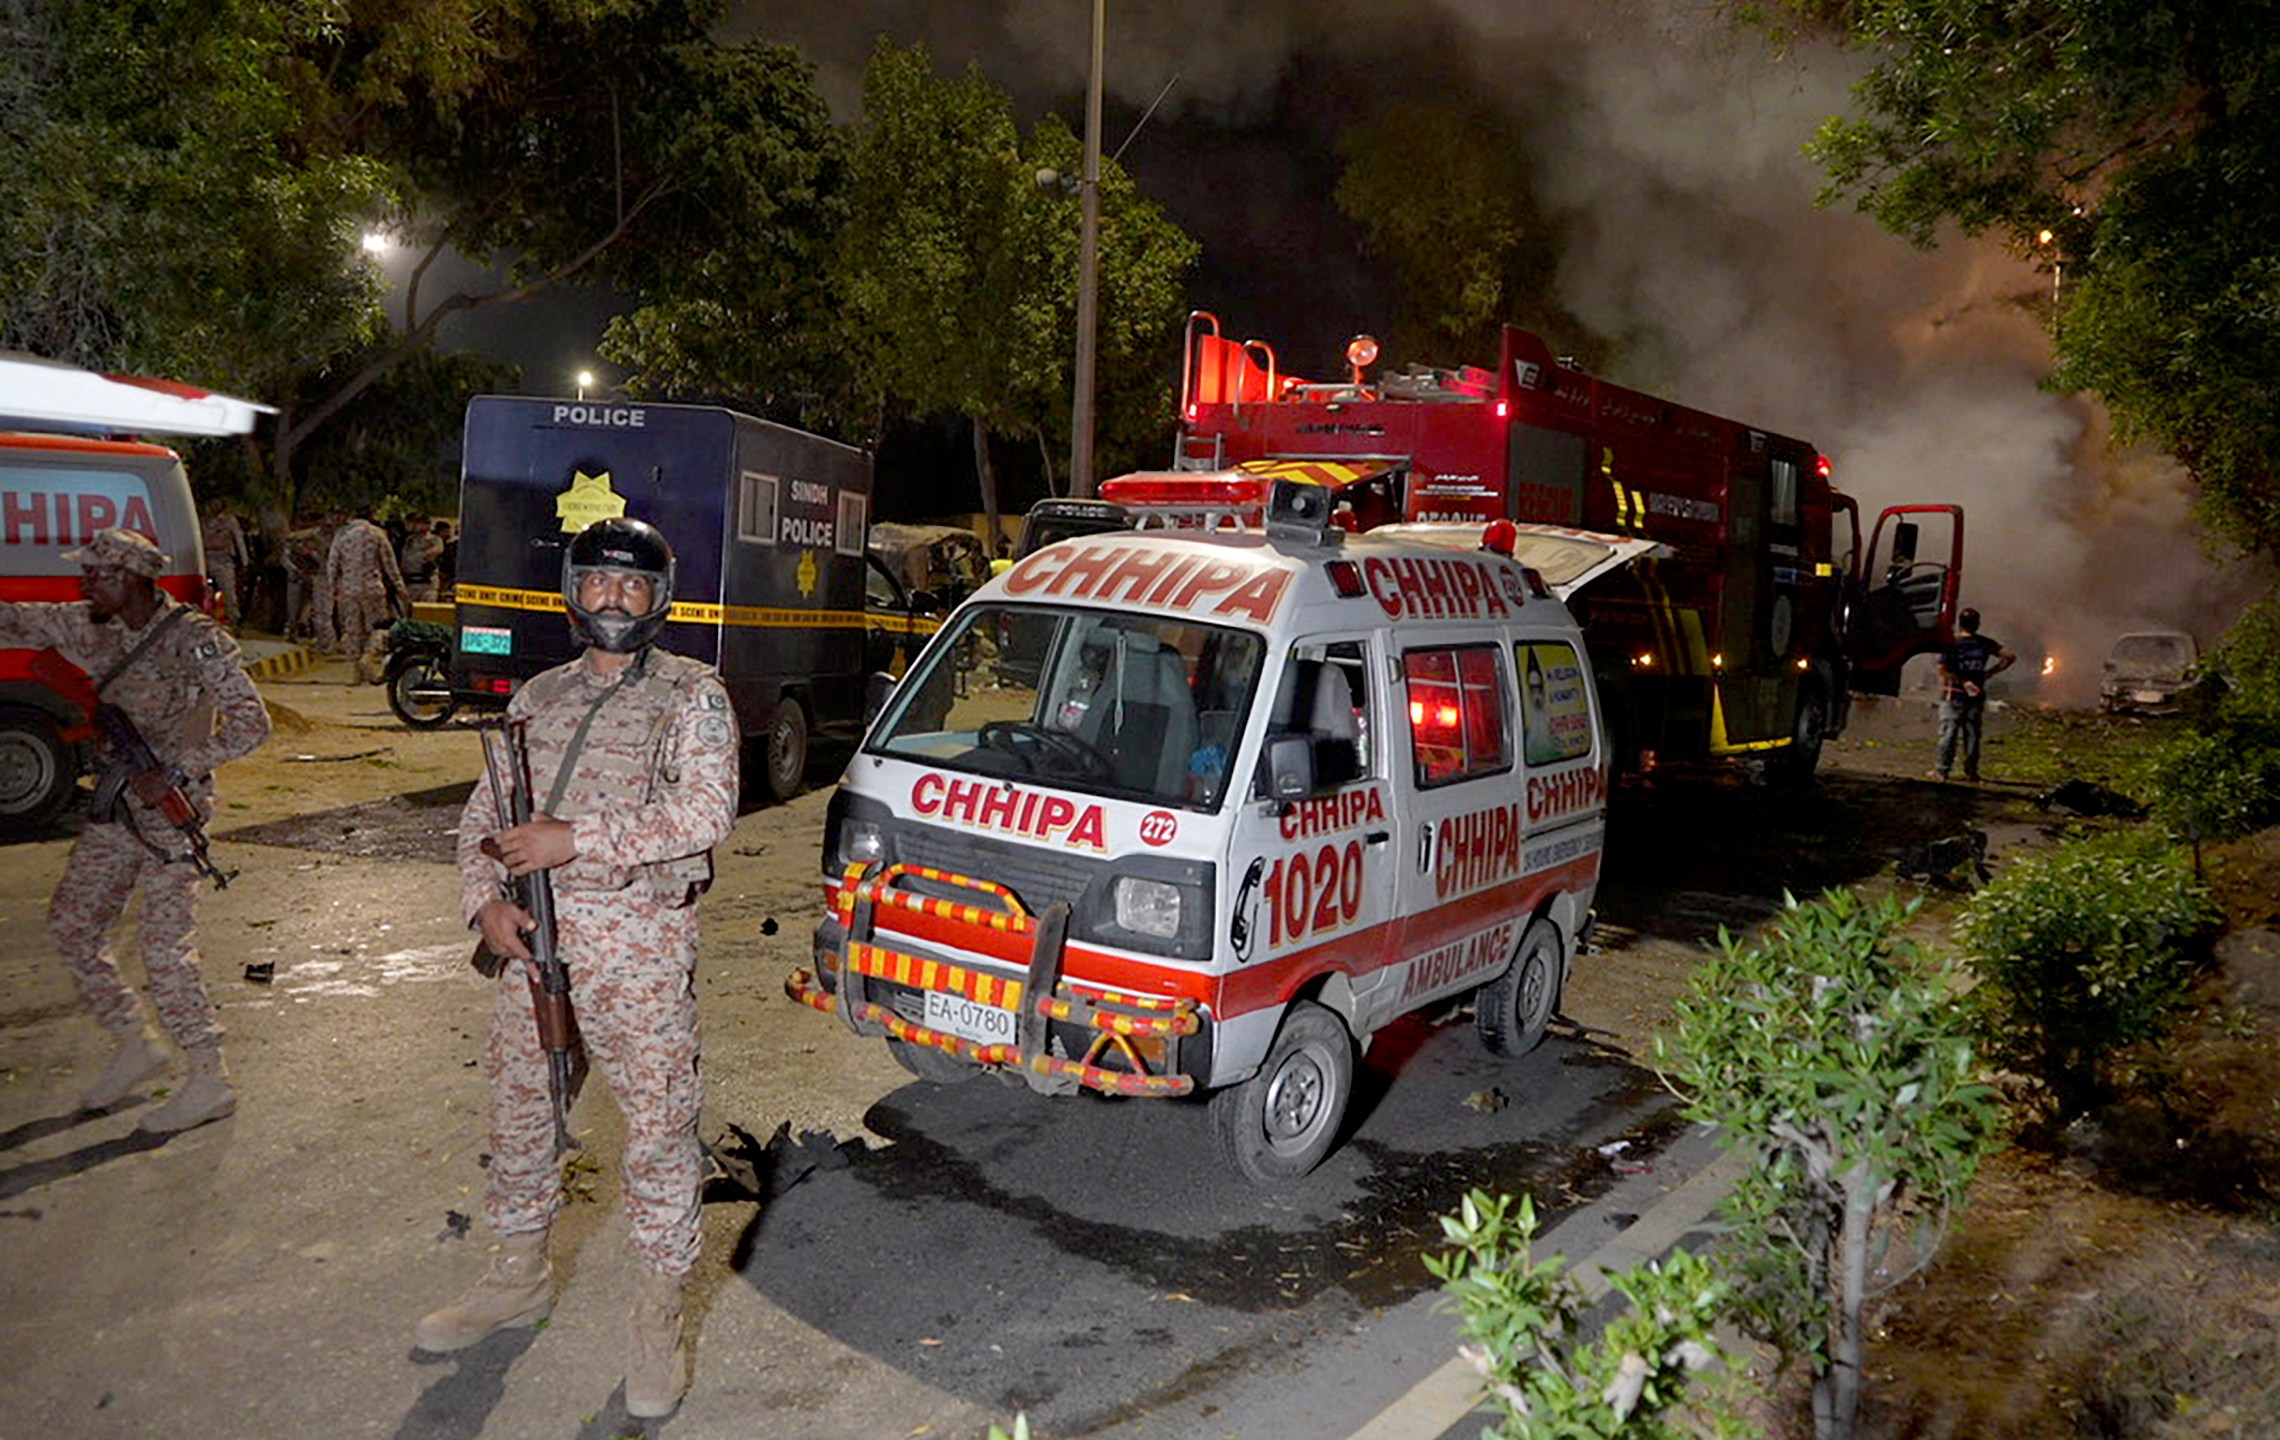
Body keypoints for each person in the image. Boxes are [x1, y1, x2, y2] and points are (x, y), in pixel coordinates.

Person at [416, 516, 737, 1420]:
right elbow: (485, 810)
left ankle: (656, 1319)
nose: (613, 599)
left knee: (660, 1134)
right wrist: (485, 901)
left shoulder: (692, 696)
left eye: (632, 586)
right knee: (521, 1111)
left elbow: (707, 811)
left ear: (658, 598)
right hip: (534, 946)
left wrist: (576, 840)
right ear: (572, 587)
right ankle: (517, 1277)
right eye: (597, 581)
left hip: (637, 947)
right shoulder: (538, 696)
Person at [0, 528, 271, 1131]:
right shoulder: (91, 625)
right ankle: (133, 1041)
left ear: (128, 578)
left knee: (161, 946)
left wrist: (180, 767)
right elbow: (17, 621)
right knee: (72, 922)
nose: (83, 582)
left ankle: (209, 1076)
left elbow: (255, 724)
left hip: (176, 811)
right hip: (119, 806)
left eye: (94, 573)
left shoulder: (194, 640)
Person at [1933, 607, 2016, 782]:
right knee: (1972, 735)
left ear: (1959, 623)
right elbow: (2009, 657)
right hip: (1975, 695)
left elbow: (1942, 669)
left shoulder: (1951, 643)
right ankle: (1971, 772)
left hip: (1953, 695)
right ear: (1977, 624)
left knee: (1948, 733)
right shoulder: (1985, 643)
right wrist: (1989, 673)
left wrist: (1962, 682)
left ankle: (1941, 771)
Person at [322, 505, 407, 667]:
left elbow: (332, 564)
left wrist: (333, 588)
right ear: (371, 515)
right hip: (372, 588)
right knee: (376, 627)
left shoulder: (342, 535)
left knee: (353, 629)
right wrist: (399, 587)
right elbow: (389, 563)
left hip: (349, 589)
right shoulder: (378, 534)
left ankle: (355, 669)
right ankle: (368, 656)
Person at [200, 506, 251, 629]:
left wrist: (245, 561)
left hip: (223, 560)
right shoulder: (202, 519)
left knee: (229, 592)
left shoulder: (228, 520)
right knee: (204, 592)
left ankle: (234, 620)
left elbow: (239, 540)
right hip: (206, 559)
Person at [399, 517, 445, 604]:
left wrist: (420, 556)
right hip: (410, 582)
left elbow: (434, 552)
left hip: (427, 583)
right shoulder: (409, 540)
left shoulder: (434, 540)